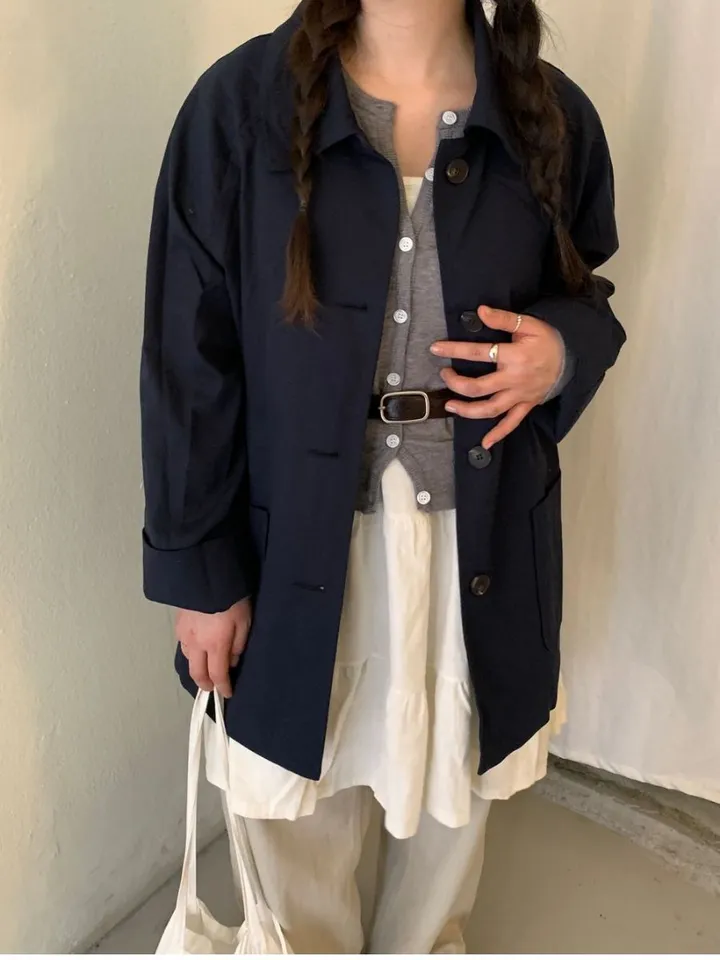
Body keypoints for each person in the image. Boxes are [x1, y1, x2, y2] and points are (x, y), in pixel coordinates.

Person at [140, 0, 626, 952]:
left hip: (475, 545)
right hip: (294, 538)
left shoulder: (549, 113)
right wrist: (201, 573)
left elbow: (586, 293)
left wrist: (561, 353)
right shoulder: (237, 109)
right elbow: (188, 364)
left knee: (455, 784)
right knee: (294, 798)